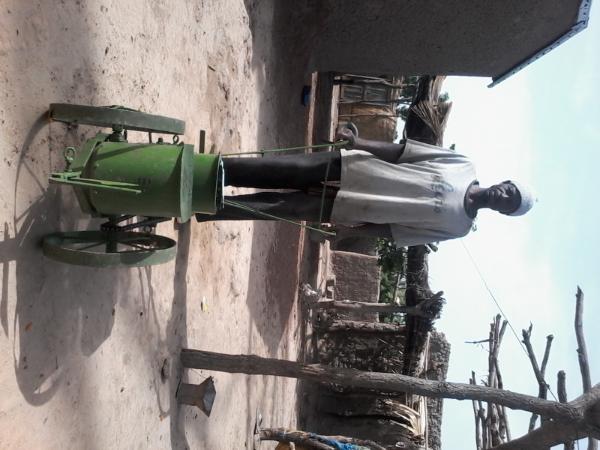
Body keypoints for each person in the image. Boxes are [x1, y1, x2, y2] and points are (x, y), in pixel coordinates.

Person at [195, 128, 535, 247]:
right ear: (504, 182)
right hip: (355, 167)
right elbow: (403, 152)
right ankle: (207, 172)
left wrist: (351, 231)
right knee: (281, 169)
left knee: (279, 210)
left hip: (354, 207)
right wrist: (358, 143)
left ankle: (206, 208)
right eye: (511, 191)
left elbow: (396, 232)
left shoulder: (458, 228)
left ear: (503, 213)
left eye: (510, 203)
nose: (505, 197)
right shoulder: (462, 164)